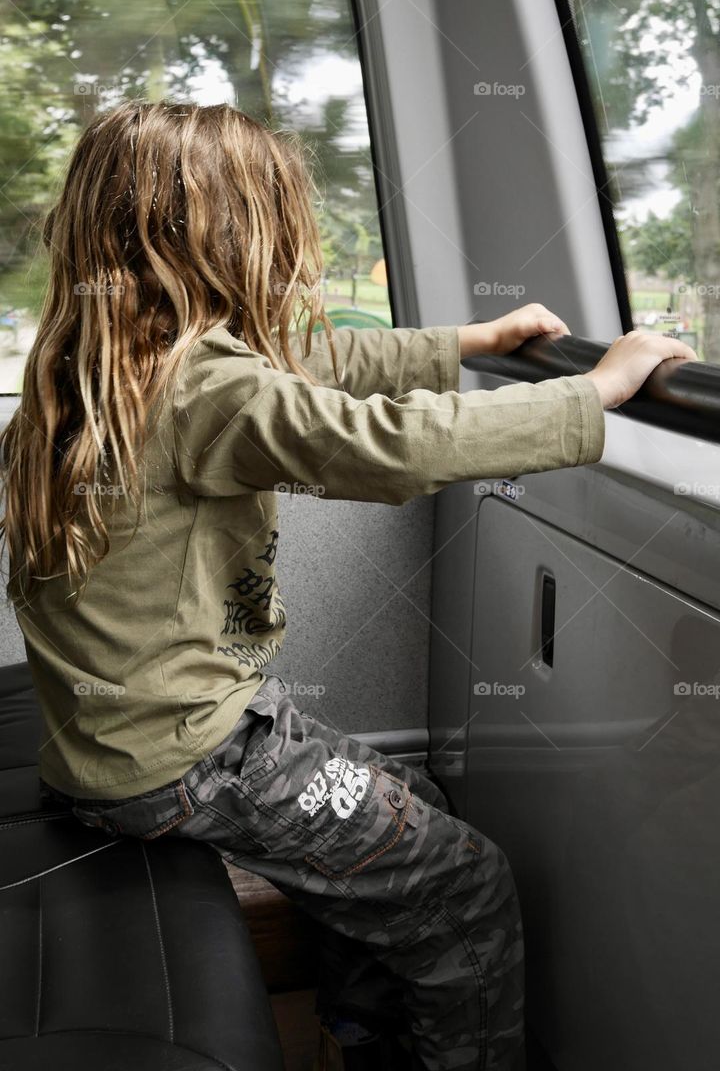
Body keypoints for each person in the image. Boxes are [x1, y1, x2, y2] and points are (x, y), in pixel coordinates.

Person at [0, 100, 697, 1071]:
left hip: (121, 746)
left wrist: (469, 341)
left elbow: (319, 362)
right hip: (195, 758)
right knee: (468, 878)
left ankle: (365, 1035)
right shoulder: (208, 387)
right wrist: (595, 392)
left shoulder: (90, 367)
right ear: (224, 237)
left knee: (403, 797)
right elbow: (394, 447)